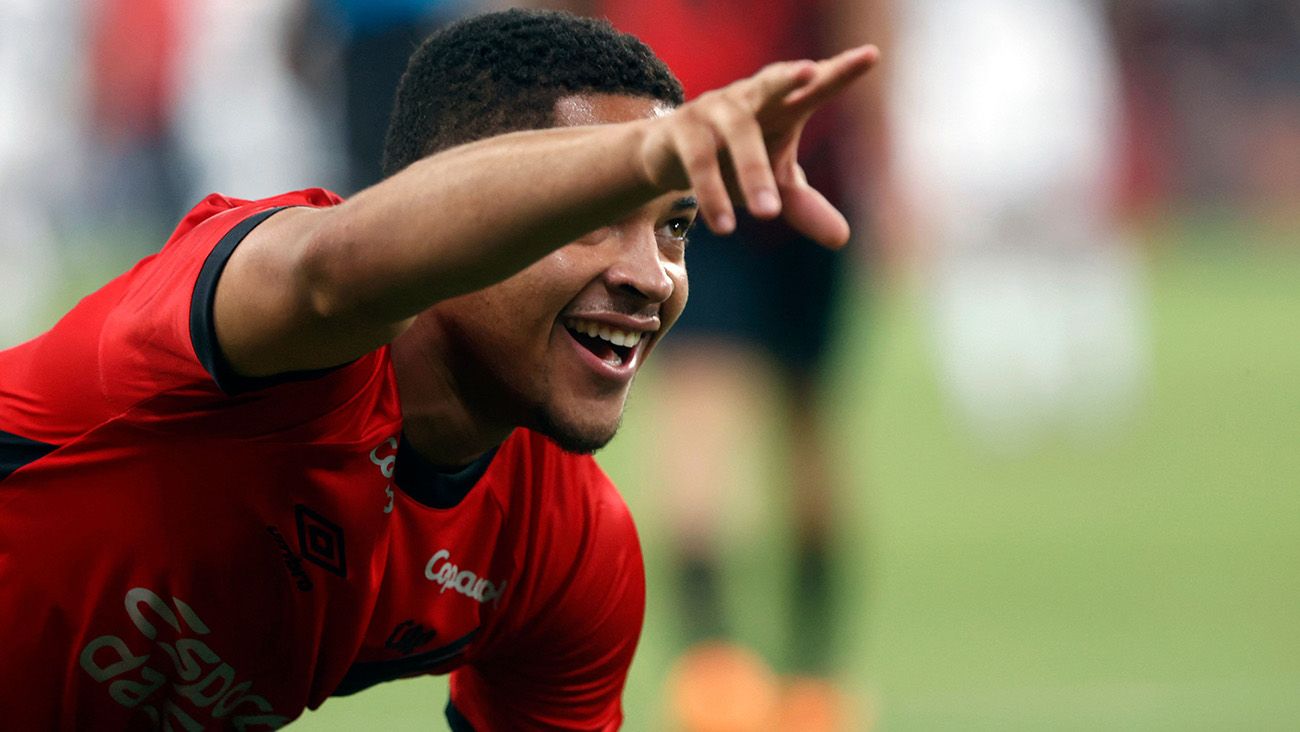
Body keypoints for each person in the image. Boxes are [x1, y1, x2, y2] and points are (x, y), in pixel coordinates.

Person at [0, 8, 877, 730]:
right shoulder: (261, 302)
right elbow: (334, 268)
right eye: (591, 215)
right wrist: (647, 154)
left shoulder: (569, 547)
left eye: (674, 226)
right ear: (470, 222)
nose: (652, 277)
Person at [533, 2, 887, 728]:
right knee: (808, 422)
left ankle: (714, 670)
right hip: (806, 160)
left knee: (700, 416)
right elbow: (863, 30)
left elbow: (559, 28)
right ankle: (814, 681)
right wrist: (882, 153)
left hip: (680, 151)